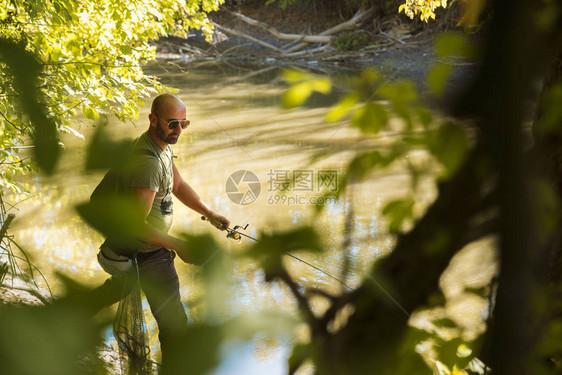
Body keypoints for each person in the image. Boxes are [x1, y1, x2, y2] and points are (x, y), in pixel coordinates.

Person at [92, 93, 230, 364]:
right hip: (146, 250)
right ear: (153, 119)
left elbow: (177, 185)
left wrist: (210, 213)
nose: (178, 130)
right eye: (172, 124)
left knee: (120, 288)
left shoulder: (161, 148)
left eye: (184, 123)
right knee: (175, 324)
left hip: (140, 247)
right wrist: (178, 245)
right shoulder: (148, 163)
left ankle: (66, 312)